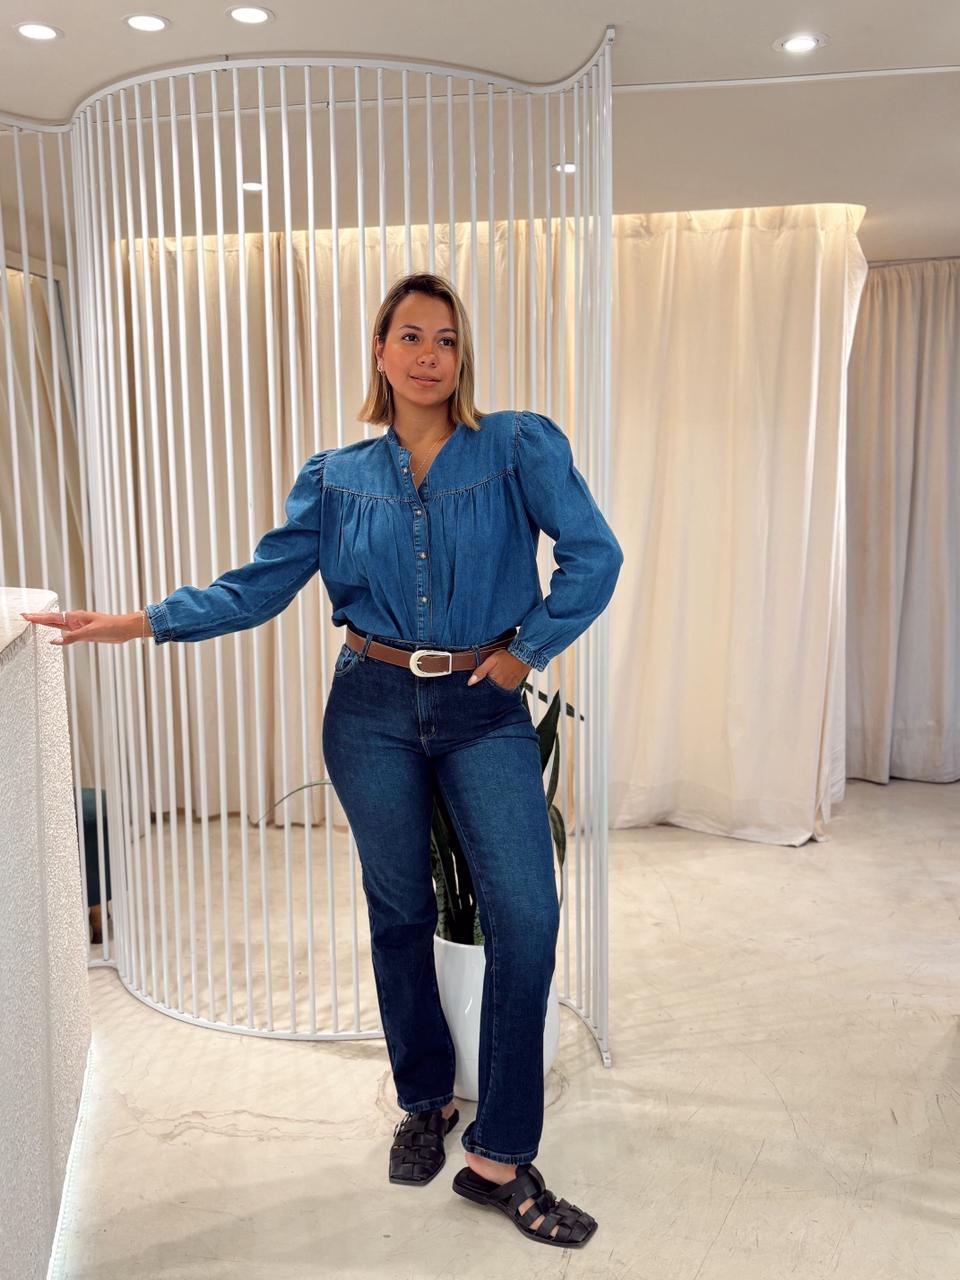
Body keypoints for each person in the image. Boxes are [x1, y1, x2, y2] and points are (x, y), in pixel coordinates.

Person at [22, 271, 623, 1249]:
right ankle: (426, 1100)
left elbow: (594, 554)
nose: (430, 355)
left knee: (527, 915)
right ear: (379, 351)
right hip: (370, 709)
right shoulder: (336, 476)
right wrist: (138, 621)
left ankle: (500, 1156)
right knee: (400, 910)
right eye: (411, 336)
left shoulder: (518, 444)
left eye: (447, 339)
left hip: (483, 706)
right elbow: (257, 587)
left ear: (462, 357)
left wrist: (529, 649)